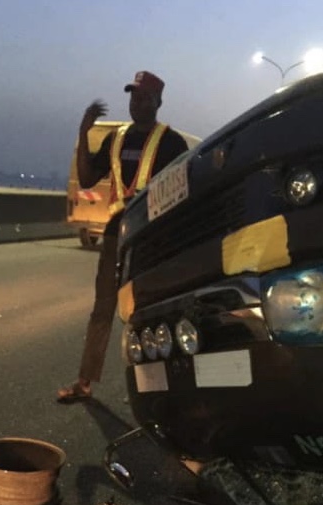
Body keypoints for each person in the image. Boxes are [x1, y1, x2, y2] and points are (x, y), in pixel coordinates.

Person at [57, 71, 189, 402]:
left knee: (151, 311)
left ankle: (158, 385)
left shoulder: (172, 143)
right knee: (102, 308)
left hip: (153, 240)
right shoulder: (116, 139)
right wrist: (83, 132)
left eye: (144, 97)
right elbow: (87, 180)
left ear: (158, 102)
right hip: (117, 236)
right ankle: (84, 381)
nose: (137, 103)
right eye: (133, 96)